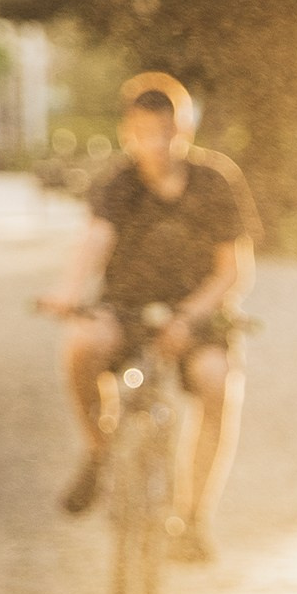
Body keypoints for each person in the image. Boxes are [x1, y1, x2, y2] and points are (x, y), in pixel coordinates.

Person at [39, 75, 258, 557]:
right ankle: (98, 451)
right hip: (128, 309)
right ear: (128, 132)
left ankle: (193, 520)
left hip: (198, 315)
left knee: (217, 382)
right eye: (145, 131)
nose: (157, 142)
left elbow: (232, 271)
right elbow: (94, 240)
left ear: (185, 130)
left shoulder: (215, 181)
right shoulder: (117, 184)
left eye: (168, 130)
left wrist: (187, 317)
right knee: (80, 345)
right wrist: (68, 292)